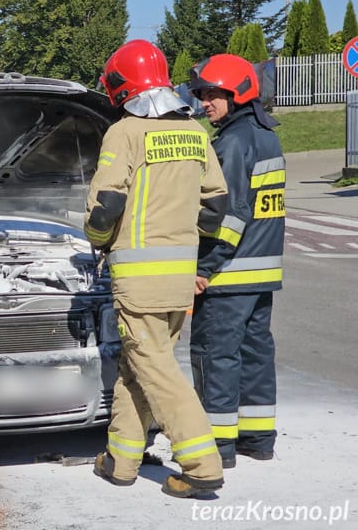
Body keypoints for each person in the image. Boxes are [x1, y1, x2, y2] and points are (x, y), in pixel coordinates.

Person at [85, 39, 228, 498]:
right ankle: (121, 460)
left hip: (138, 281)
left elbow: (106, 207)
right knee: (140, 365)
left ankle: (201, 464)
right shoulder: (195, 132)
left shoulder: (125, 132)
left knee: (158, 371)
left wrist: (97, 241)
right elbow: (215, 206)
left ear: (119, 85)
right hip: (179, 277)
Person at [187, 54, 285, 469]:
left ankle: (218, 446)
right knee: (255, 355)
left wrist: (204, 268)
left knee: (215, 357)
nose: (205, 103)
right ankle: (258, 438)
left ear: (238, 94)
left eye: (214, 95)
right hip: (262, 273)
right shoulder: (266, 137)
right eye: (202, 95)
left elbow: (230, 215)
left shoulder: (232, 143)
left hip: (229, 275)